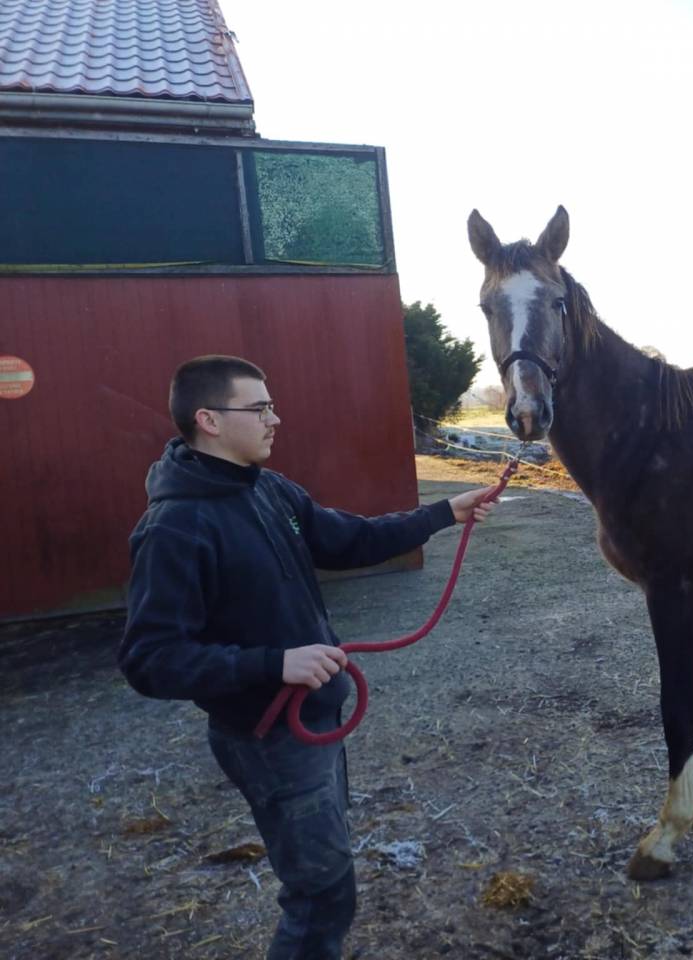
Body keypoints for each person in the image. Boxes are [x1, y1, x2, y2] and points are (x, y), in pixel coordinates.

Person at [118, 355, 497, 959]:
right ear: (209, 420)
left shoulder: (268, 489)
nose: (275, 419)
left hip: (313, 722)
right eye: (260, 408)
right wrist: (273, 663)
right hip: (270, 738)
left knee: (326, 879)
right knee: (321, 896)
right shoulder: (175, 528)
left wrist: (443, 513)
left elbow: (348, 539)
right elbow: (150, 658)